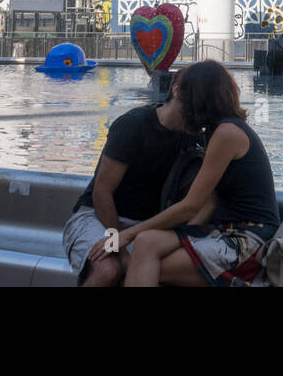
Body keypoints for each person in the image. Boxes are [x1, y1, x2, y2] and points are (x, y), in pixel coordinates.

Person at [106, 61, 280, 287]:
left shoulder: (226, 134)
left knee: (144, 263)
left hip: (248, 240)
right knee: (146, 243)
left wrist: (125, 236)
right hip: (222, 229)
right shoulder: (219, 131)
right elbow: (208, 203)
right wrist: (182, 235)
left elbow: (191, 205)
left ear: (198, 98)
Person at [63, 90, 198, 286]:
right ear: (177, 90)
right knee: (108, 269)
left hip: (145, 227)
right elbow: (102, 192)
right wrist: (120, 248)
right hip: (97, 217)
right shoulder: (133, 125)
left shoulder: (194, 136)